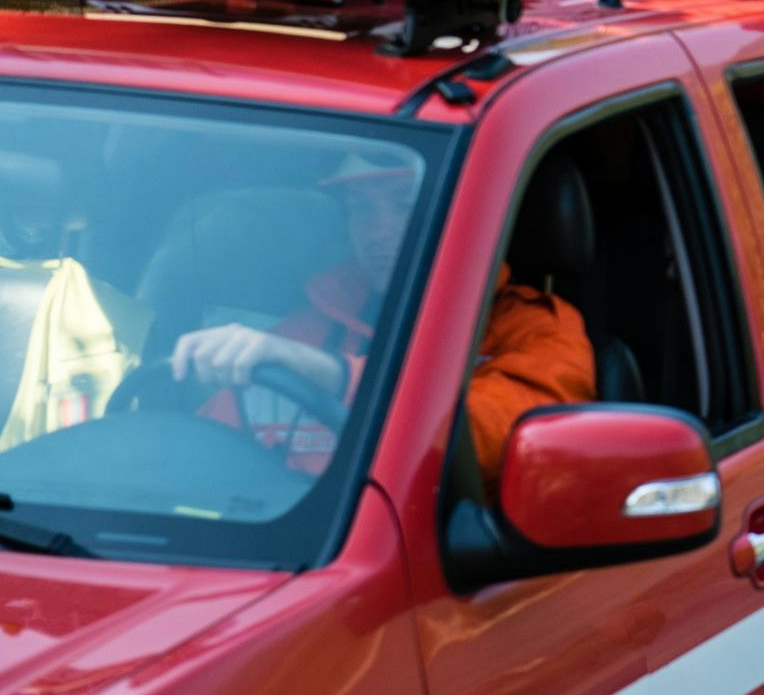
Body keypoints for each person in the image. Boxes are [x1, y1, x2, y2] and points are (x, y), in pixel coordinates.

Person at [171, 154, 594, 484]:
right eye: (361, 209)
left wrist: (332, 375)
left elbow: (482, 438)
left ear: (472, 217)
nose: (379, 231)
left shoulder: (535, 331)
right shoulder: (313, 325)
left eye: (404, 205)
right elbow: (204, 456)